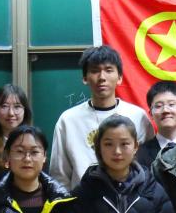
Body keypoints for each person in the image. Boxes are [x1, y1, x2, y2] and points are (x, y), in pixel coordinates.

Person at [49, 46, 154, 189]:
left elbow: (147, 165)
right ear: (85, 78)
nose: (102, 77)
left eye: (109, 70)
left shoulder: (138, 116)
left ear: (120, 77)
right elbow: (59, 176)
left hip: (130, 197)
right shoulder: (68, 120)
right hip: (83, 199)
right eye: (94, 71)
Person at [136, 81, 176, 170]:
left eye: (171, 104)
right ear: (151, 114)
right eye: (158, 106)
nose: (165, 110)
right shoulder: (139, 154)